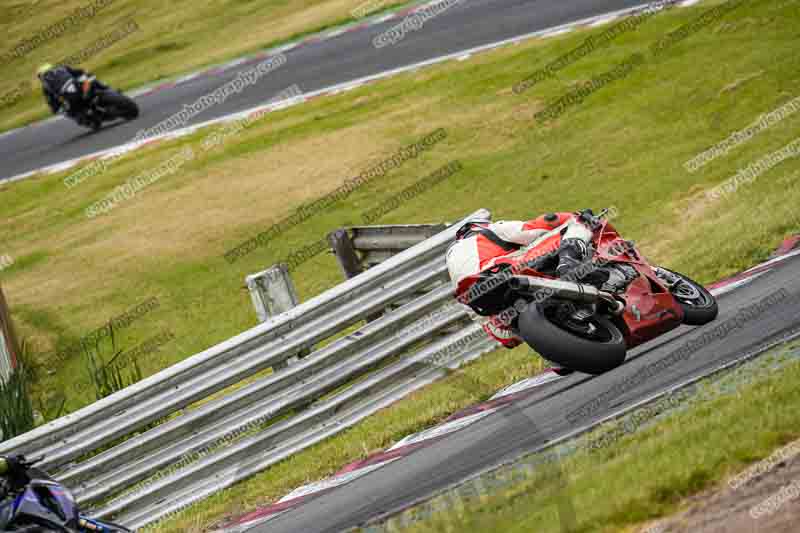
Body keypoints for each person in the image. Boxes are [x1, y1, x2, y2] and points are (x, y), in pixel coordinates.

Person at [446, 210, 600, 352]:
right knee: (578, 224)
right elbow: (537, 226)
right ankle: (568, 262)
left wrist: (524, 332)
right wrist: (571, 216)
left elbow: (505, 338)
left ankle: (553, 349)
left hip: (494, 305)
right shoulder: (489, 231)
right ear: (479, 226)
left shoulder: (456, 278)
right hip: (508, 270)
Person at [36, 63, 102, 127]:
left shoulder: (63, 69)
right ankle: (85, 119)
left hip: (76, 90)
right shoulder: (47, 86)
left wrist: (83, 74)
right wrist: (57, 108)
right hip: (72, 95)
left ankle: (103, 89)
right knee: (70, 111)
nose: (49, 75)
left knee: (90, 80)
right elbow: (51, 101)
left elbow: (78, 72)